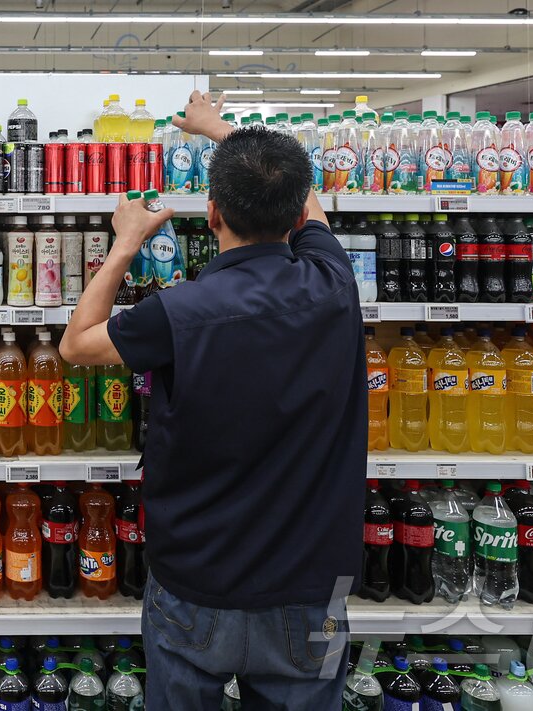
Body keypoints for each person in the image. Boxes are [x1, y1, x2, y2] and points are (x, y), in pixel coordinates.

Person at [59, 91, 365, 711]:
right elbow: (306, 199)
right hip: (310, 589)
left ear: (212, 212)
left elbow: (76, 344)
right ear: (295, 219)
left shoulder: (178, 311)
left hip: (197, 581)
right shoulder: (334, 284)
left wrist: (126, 242)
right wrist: (220, 130)